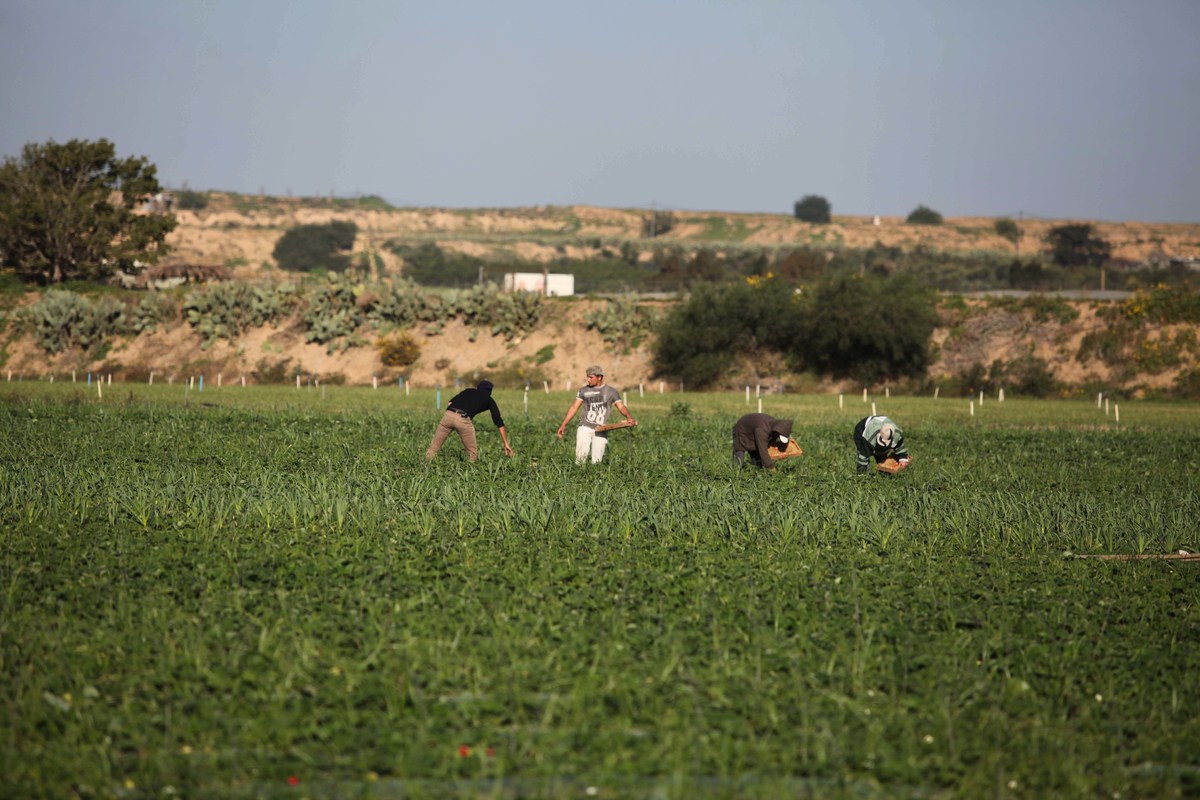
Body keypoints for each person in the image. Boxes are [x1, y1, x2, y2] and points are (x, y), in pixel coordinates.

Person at [556, 365, 637, 464]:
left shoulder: (611, 392)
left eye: (591, 377)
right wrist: (563, 425)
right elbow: (574, 407)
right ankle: (578, 477)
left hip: (601, 429)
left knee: (597, 461)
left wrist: (628, 416)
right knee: (580, 460)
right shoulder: (583, 390)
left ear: (599, 377)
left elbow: (621, 406)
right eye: (587, 377)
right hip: (585, 427)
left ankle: (594, 478)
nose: (588, 379)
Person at [426, 380, 514, 462]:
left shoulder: (468, 391)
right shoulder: (489, 400)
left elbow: (449, 403)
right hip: (463, 419)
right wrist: (506, 443)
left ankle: (426, 466)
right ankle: (470, 472)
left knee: (433, 449)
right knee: (472, 453)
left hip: (448, 415)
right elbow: (498, 420)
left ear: (478, 387)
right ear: (490, 391)